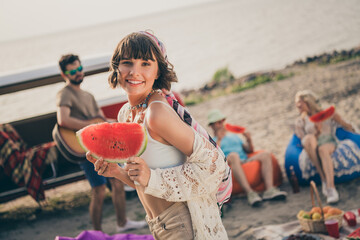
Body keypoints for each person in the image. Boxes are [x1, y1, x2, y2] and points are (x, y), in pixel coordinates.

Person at [87, 31, 228, 239]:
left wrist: (151, 177)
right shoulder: (125, 114)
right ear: (117, 68)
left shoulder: (157, 113)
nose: (135, 72)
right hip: (156, 225)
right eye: (127, 62)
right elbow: (144, 182)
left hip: (182, 223)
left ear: (158, 72)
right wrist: (117, 172)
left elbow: (214, 166)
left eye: (145, 63)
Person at [56, 54, 146, 232]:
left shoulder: (88, 95)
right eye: (72, 71)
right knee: (98, 190)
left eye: (79, 69)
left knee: (118, 182)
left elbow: (102, 121)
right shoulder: (64, 94)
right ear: (63, 74)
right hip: (84, 147)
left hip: (101, 145)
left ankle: (122, 223)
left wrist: (126, 123)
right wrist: (90, 127)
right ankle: (97, 233)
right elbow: (63, 120)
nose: (78, 73)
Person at [207, 109, 287, 207]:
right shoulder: (212, 142)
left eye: (223, 121)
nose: (222, 124)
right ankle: (250, 193)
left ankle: (269, 190)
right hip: (231, 164)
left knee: (265, 154)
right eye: (218, 122)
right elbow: (215, 158)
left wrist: (249, 140)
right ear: (212, 126)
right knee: (233, 155)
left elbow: (249, 150)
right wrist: (219, 139)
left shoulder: (234, 136)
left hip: (244, 160)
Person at [294, 90, 359, 204]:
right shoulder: (300, 121)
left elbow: (346, 125)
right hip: (311, 147)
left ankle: (330, 188)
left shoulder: (328, 113)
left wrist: (353, 131)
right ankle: (323, 178)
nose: (297, 105)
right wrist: (317, 132)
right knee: (309, 139)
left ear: (308, 101)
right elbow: (302, 140)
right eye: (296, 102)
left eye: (300, 102)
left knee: (322, 149)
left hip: (328, 141)